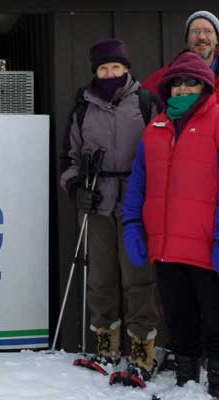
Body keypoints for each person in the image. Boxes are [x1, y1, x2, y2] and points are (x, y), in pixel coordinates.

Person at [60, 38, 159, 386]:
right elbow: (69, 159)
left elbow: (162, 152)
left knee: (138, 278)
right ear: (95, 72)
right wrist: (75, 187)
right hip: (97, 201)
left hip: (136, 203)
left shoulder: (146, 102)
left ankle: (142, 352)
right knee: (101, 278)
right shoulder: (83, 106)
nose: (110, 73)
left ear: (127, 69)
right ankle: (106, 346)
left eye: (116, 67)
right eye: (103, 68)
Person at [123, 51, 219, 398]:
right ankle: (187, 383)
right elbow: (138, 184)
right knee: (178, 321)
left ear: (204, 85)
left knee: (215, 322)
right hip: (166, 249)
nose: (182, 89)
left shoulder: (217, 121)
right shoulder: (155, 128)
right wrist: (132, 224)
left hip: (206, 248)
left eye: (190, 82)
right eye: (176, 83)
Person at [143, 10, 219, 99]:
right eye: (195, 31)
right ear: (187, 40)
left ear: (217, 39)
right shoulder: (161, 78)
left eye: (208, 31)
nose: (201, 37)